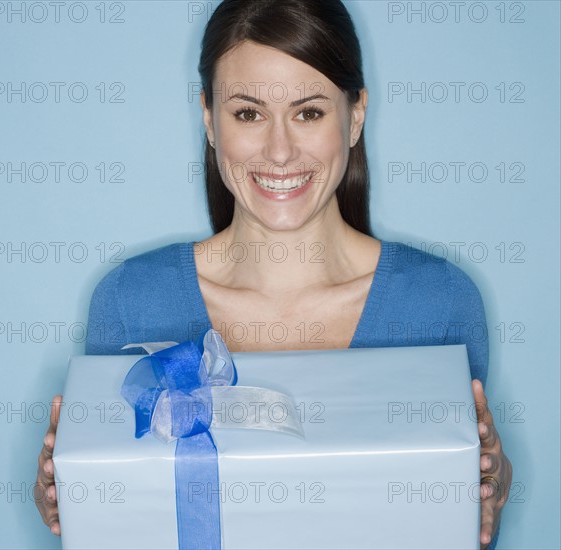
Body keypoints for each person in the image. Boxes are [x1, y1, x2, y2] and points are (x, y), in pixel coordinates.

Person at [35, 1, 512, 548]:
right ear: (210, 120)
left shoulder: (440, 302)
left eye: (309, 113)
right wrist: (69, 492)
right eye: (248, 113)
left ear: (355, 116)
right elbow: (122, 504)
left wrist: (493, 484)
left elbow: (464, 490)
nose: (280, 152)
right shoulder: (131, 300)